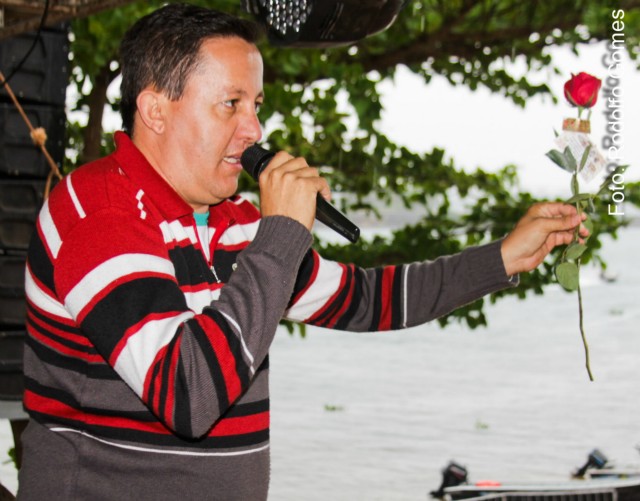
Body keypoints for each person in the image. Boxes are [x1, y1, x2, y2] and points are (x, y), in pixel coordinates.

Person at [18, 4, 587, 500]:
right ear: (156, 110)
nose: (255, 129)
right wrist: (284, 232)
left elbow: (365, 300)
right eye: (231, 104)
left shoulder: (235, 224)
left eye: (257, 104)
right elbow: (188, 394)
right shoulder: (99, 211)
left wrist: (504, 258)